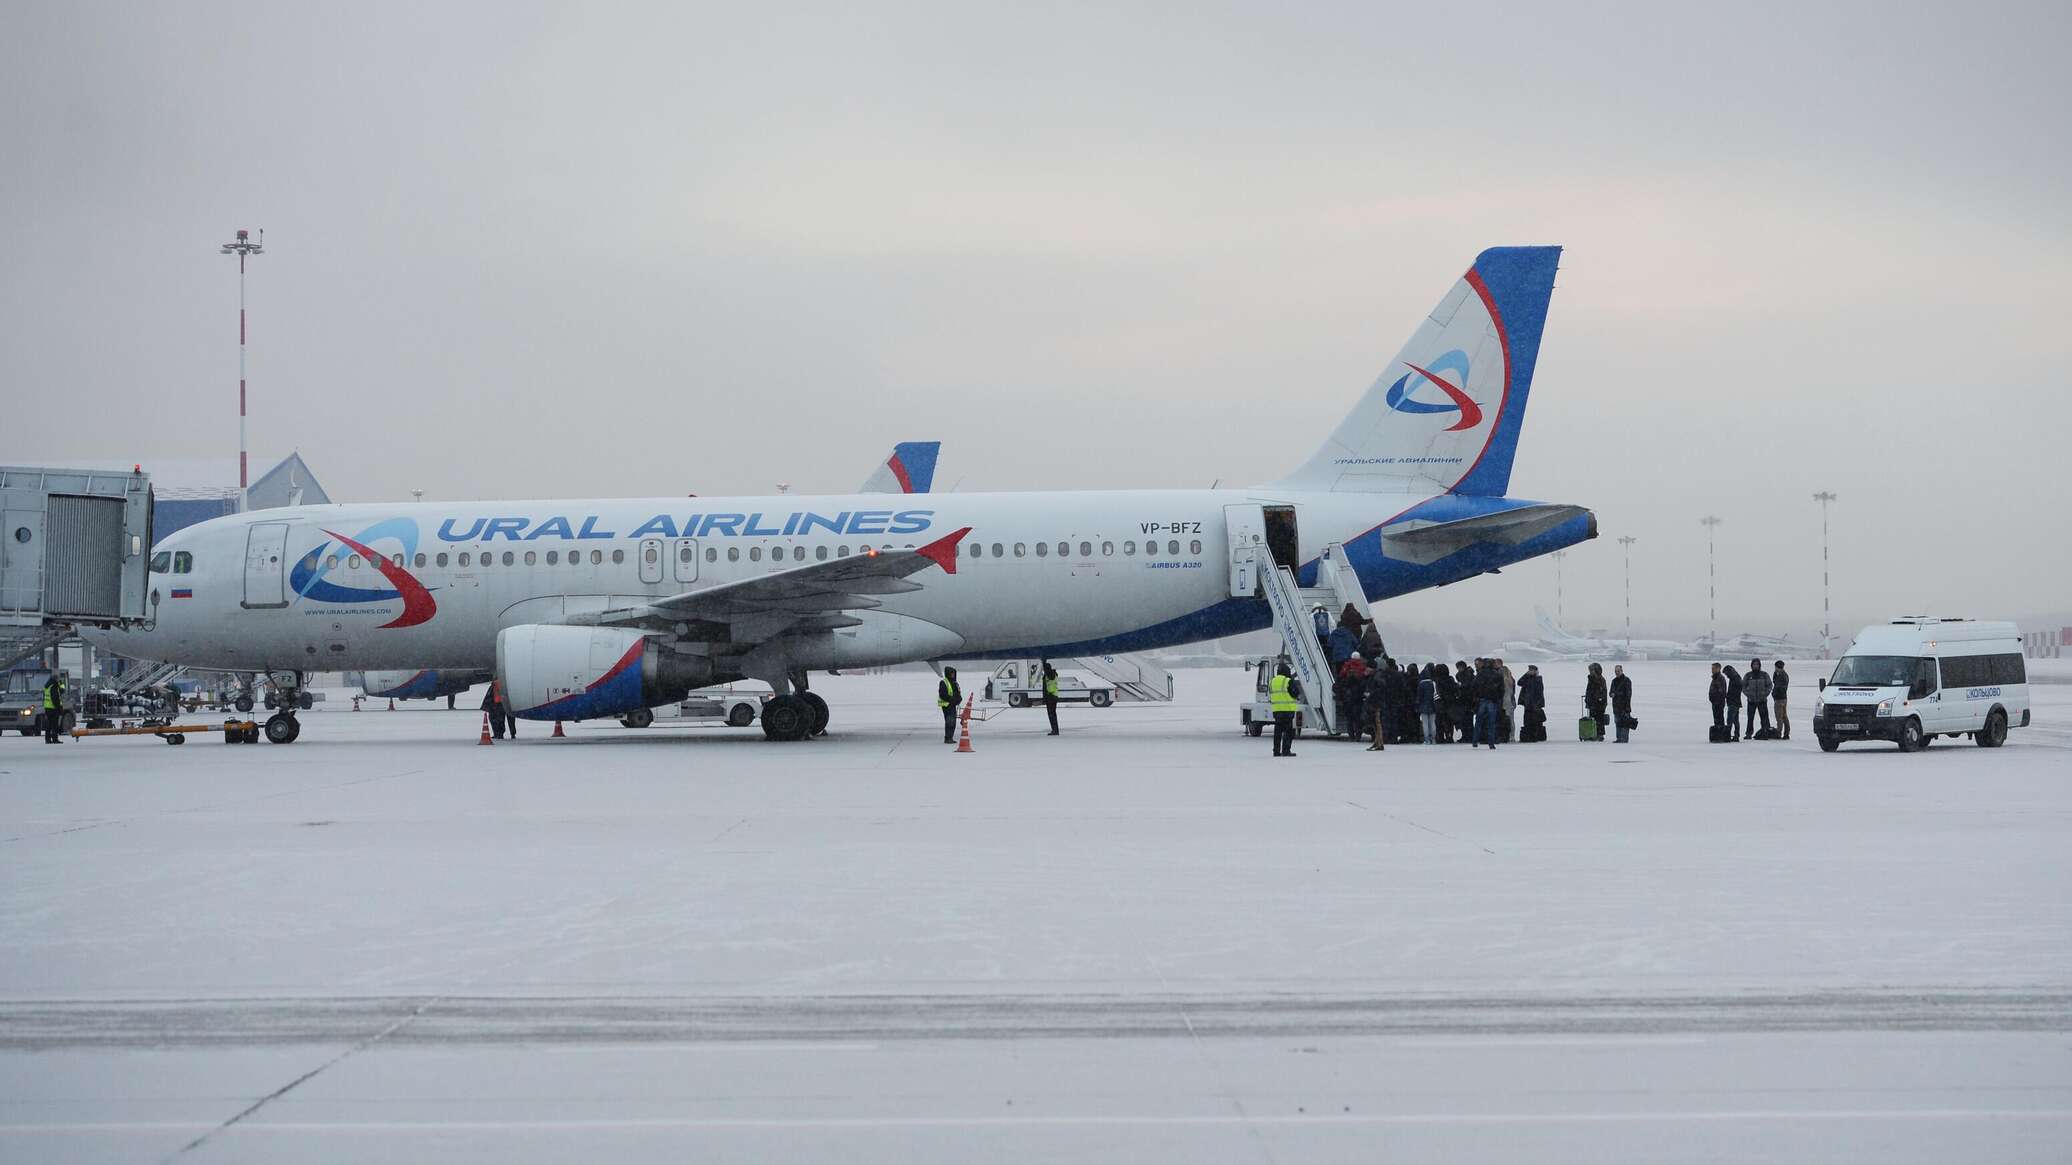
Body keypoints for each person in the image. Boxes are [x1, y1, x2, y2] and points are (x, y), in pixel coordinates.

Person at [1269, 661, 1303, 757]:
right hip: (1287, 710)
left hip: (1276, 711)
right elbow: (1295, 693)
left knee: (1277, 732)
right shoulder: (1288, 681)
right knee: (1288, 732)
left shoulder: (1272, 681)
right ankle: (1286, 750)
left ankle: (1276, 751)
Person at [1474, 659, 1503, 748]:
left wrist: (1477, 696)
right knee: (1491, 723)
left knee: (1479, 722)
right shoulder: (1497, 675)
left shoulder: (1480, 674)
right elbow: (1501, 689)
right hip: (1493, 700)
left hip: (1482, 699)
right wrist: (1498, 698)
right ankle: (1491, 742)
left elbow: (1475, 686)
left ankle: (1475, 740)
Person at [1743, 658, 1772, 738]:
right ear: (1751, 666)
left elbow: (1769, 685)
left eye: (1757, 664)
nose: (1755, 666)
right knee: (1750, 719)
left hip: (1762, 700)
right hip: (1751, 701)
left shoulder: (1764, 674)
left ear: (1759, 665)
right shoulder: (1748, 675)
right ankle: (1748, 734)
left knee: (1764, 718)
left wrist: (1765, 694)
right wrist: (1748, 694)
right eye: (1754, 664)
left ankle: (1765, 732)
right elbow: (1743, 686)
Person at [1518, 664, 1546, 742]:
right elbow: (1519, 682)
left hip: (1535, 704)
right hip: (1527, 704)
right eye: (1529, 670)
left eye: (1532, 670)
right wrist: (1526, 675)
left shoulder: (1538, 679)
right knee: (1527, 720)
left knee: (1535, 721)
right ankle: (1528, 735)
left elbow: (1539, 692)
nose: (1530, 671)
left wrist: (1537, 704)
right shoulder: (1527, 679)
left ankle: (1535, 736)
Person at [1583, 662, 1609, 742]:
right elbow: (1589, 691)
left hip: (1599, 703)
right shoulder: (1591, 679)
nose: (1590, 672)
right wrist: (1587, 699)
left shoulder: (1600, 679)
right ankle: (1593, 733)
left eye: (1591, 670)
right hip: (1592, 703)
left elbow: (1602, 692)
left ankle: (1599, 734)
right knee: (1593, 719)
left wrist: (1599, 699)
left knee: (1599, 719)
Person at [41, 670, 67, 743]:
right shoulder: (54, 686)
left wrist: (60, 685)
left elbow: (61, 691)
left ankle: (47, 739)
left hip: (47, 707)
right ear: (56, 679)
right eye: (58, 679)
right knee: (54, 725)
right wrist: (59, 708)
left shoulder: (47, 686)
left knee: (48, 725)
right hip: (53, 708)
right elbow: (55, 698)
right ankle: (55, 739)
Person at [1610, 664, 1634, 743]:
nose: (1617, 673)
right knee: (1618, 722)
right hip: (1616, 706)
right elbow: (1610, 692)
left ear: (1621, 671)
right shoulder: (1613, 681)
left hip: (1624, 706)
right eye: (1615, 671)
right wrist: (1611, 694)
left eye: (1618, 671)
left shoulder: (1627, 680)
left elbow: (1628, 694)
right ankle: (1619, 738)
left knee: (1625, 723)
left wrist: (1627, 706)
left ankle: (1624, 739)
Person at [937, 667, 962, 743]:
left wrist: (958, 700)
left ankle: (950, 737)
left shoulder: (955, 683)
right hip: (946, 705)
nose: (953, 675)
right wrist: (951, 700)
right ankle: (947, 738)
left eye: (953, 673)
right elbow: (942, 694)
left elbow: (958, 694)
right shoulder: (943, 682)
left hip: (953, 705)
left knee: (953, 722)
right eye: (951, 673)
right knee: (949, 721)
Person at [1416, 665, 1438, 744]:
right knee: (1432, 722)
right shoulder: (1433, 683)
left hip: (1424, 705)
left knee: (1425, 723)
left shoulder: (1421, 684)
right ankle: (1434, 739)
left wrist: (1418, 704)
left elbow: (1419, 696)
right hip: (1433, 705)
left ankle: (1427, 739)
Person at [1723, 664, 1744, 742]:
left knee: (1730, 720)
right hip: (1735, 702)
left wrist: (1728, 696)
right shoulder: (1735, 678)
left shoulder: (1735, 679)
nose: (1726, 675)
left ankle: (1728, 735)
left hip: (1733, 702)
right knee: (1735, 720)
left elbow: (1735, 691)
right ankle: (1736, 735)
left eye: (1726, 673)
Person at [1498, 659, 1517, 743]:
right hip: (1510, 701)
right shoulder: (1511, 680)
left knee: (1506, 719)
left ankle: (1507, 735)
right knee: (1511, 719)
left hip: (1505, 702)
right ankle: (1511, 736)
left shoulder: (1504, 681)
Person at [1771, 660, 1791, 741]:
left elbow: (1778, 686)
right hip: (1783, 698)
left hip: (1779, 698)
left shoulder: (1781, 675)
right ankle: (1786, 733)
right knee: (1784, 716)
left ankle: (1779, 733)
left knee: (1779, 717)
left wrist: (1774, 694)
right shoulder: (1783, 674)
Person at [1040, 660, 1061, 736]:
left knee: (1051, 714)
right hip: (1053, 696)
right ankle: (1055, 730)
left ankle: (1055, 730)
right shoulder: (1053, 674)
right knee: (1053, 714)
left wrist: (1043, 662)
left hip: (1050, 696)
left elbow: (1046, 687)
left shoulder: (1048, 674)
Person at [1709, 663, 1728, 736]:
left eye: (1714, 668)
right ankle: (1718, 734)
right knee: (1716, 719)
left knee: (1719, 719)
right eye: (1712, 668)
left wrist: (1718, 700)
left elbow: (1722, 691)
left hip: (1719, 702)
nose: (1712, 670)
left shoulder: (1720, 678)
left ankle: (1721, 734)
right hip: (1714, 702)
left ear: (1718, 669)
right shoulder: (1715, 678)